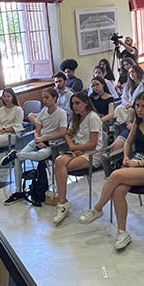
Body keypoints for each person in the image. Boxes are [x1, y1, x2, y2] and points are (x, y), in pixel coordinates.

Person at [77, 92, 144, 249]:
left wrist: (138, 164)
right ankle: (122, 232)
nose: (139, 110)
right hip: (135, 161)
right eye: (137, 106)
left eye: (143, 106)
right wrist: (126, 157)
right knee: (118, 191)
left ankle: (97, 208)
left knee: (116, 174)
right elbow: (127, 143)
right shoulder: (137, 123)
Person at [2, 88, 67, 205]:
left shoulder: (61, 113)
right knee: (18, 160)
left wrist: (44, 139)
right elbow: (37, 129)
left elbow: (62, 132)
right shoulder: (43, 111)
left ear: (54, 98)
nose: (44, 100)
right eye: (43, 98)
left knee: (39, 156)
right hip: (39, 140)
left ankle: (16, 154)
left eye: (47, 97)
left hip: (52, 144)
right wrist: (38, 139)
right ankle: (18, 191)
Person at [53, 92, 104, 224]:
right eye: (72, 104)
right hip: (77, 150)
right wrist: (73, 146)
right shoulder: (76, 118)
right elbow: (67, 134)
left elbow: (93, 143)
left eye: (77, 103)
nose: (74, 106)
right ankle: (62, 203)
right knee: (58, 162)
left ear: (86, 103)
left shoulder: (93, 118)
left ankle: (62, 202)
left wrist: (76, 149)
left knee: (62, 167)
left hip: (92, 154)